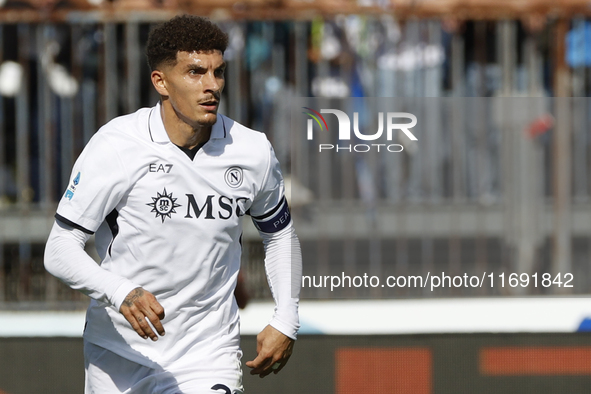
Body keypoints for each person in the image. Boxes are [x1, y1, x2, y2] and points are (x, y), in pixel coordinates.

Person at [44, 15, 301, 394]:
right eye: (195, 72)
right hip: (118, 353)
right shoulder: (116, 145)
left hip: (207, 354)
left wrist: (286, 318)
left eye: (218, 72)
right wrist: (122, 292)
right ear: (160, 81)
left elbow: (279, 236)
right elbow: (59, 249)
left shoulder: (252, 151)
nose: (211, 86)